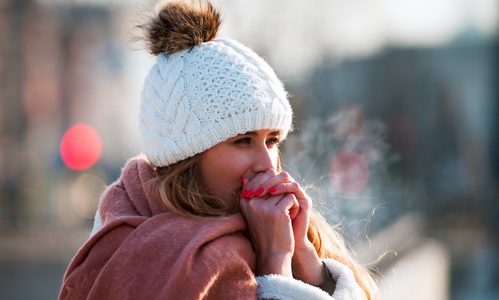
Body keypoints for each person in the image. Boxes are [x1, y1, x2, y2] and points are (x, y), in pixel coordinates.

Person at [59, 0, 378, 299]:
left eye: (272, 140)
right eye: (243, 141)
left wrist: (308, 261)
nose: (268, 164)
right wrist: (275, 265)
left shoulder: (287, 231)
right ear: (186, 158)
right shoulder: (142, 252)